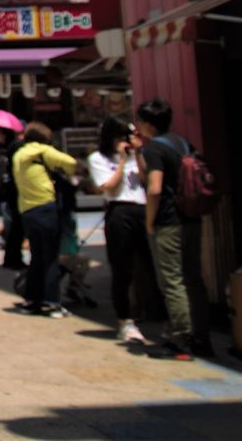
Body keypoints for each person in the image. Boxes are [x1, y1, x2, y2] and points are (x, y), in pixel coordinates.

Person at [138, 98, 211, 359]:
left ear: (147, 124)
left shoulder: (155, 149)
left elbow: (154, 187)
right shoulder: (183, 144)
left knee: (172, 281)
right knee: (193, 278)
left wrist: (149, 221)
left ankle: (181, 339)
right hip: (191, 218)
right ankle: (202, 337)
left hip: (168, 221)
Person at [87, 115, 150, 344]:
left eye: (129, 136)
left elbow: (146, 181)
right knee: (122, 270)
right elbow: (110, 188)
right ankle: (125, 320)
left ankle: (149, 311)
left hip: (143, 210)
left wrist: (138, 153)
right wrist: (122, 162)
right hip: (119, 212)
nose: (126, 141)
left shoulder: (137, 156)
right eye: (122, 136)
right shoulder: (98, 158)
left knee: (148, 266)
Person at [11, 122, 78, 317]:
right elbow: (71, 163)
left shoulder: (18, 154)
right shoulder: (43, 151)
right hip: (46, 207)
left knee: (36, 257)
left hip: (27, 209)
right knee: (50, 258)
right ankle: (52, 302)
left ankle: (32, 300)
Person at [0, 128, 27, 270]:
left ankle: (12, 258)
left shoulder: (11, 148)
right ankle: (13, 258)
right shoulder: (7, 149)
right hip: (10, 192)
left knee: (14, 227)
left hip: (11, 192)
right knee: (14, 227)